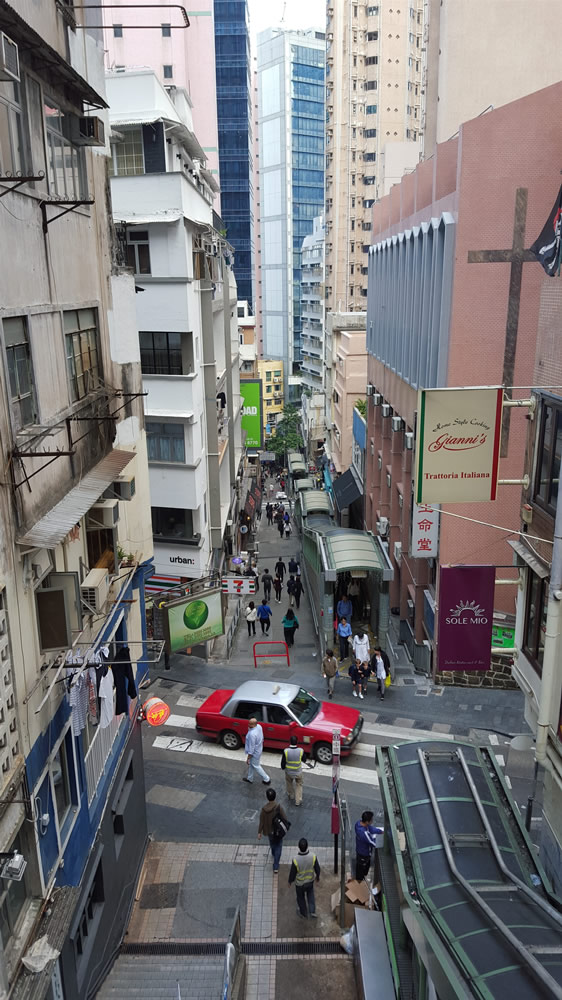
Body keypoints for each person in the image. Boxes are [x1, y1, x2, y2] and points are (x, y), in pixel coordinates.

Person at [258, 787, 289, 873]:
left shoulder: (264, 810)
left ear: (267, 797)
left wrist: (259, 832)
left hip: (269, 831)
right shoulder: (278, 807)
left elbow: (261, 821)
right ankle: (276, 866)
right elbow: (285, 818)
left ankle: (273, 853)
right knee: (279, 846)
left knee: (272, 843)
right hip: (278, 831)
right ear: (275, 796)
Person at [289, 838, 321, 918]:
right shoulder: (313, 856)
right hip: (310, 881)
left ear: (299, 847)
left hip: (299, 884)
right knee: (310, 896)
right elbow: (317, 868)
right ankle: (312, 911)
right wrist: (317, 877)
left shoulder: (295, 859)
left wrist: (290, 881)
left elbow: (293, 873)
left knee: (300, 898)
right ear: (307, 846)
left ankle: (303, 913)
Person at [354, 810, 383, 880]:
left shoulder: (359, 823)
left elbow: (371, 829)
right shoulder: (363, 833)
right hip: (364, 853)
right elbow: (372, 843)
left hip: (360, 850)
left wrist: (381, 831)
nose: (372, 821)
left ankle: (361, 877)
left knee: (362, 866)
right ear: (367, 822)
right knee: (362, 869)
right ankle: (360, 881)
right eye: (371, 820)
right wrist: (382, 841)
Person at [243, 718, 270, 785]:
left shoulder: (252, 734)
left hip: (254, 753)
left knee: (256, 766)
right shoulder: (259, 726)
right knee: (252, 765)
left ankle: (266, 779)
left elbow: (251, 748)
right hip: (259, 749)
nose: (248, 724)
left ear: (253, 724)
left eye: (250, 723)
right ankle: (250, 778)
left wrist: (248, 757)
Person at [281, 735, 304, 806]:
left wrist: (283, 767)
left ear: (290, 742)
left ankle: (291, 795)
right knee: (299, 785)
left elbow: (283, 762)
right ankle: (298, 800)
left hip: (289, 772)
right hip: (298, 772)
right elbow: (304, 759)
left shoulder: (286, 751)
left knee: (289, 783)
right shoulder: (301, 750)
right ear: (297, 742)